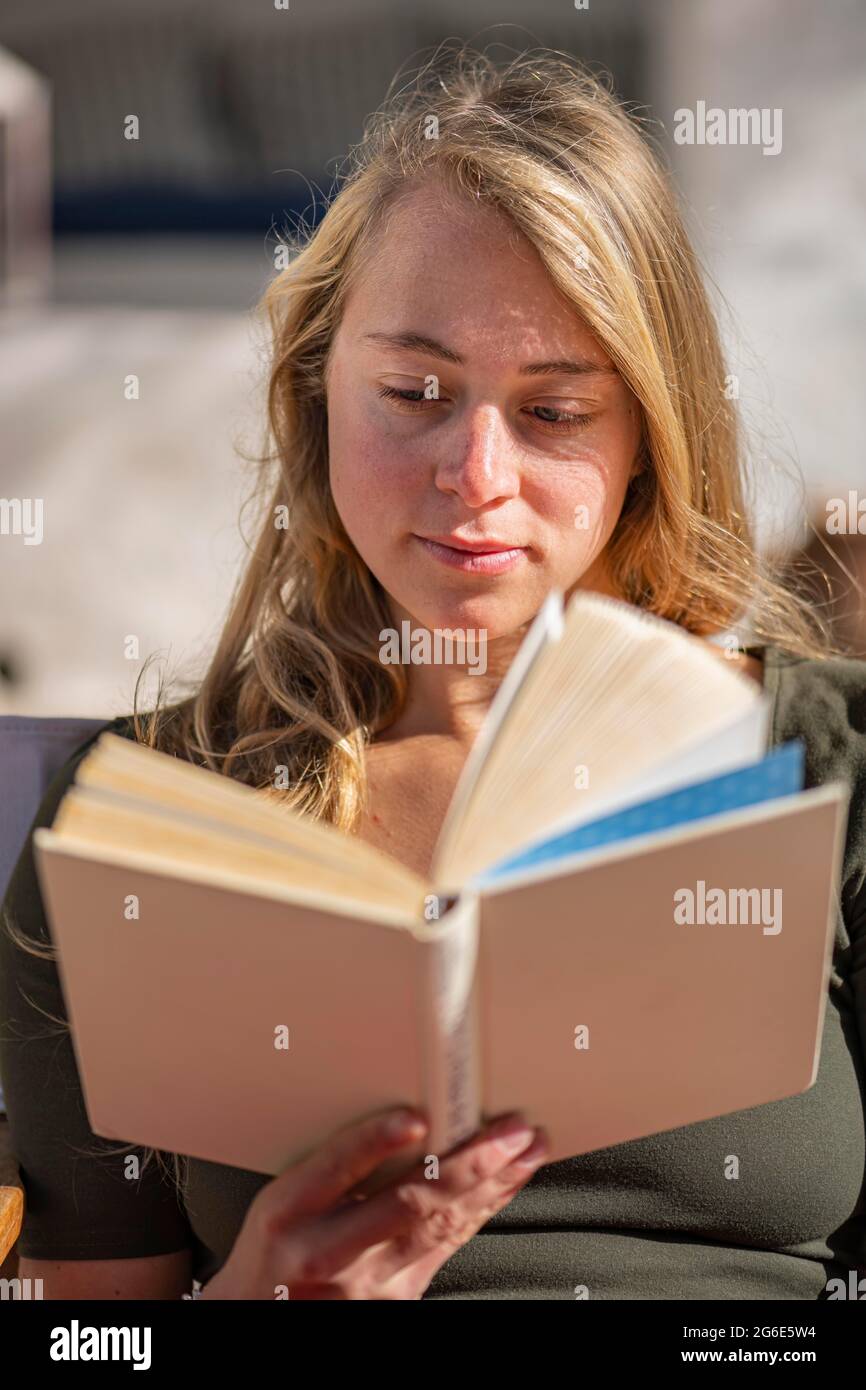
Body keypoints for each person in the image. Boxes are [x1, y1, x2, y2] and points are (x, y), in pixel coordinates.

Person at [1, 46, 864, 1301]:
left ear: (645, 432)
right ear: (315, 392)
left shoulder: (823, 761)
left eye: (555, 411)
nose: (474, 474)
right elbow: (88, 1338)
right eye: (413, 390)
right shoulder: (134, 818)